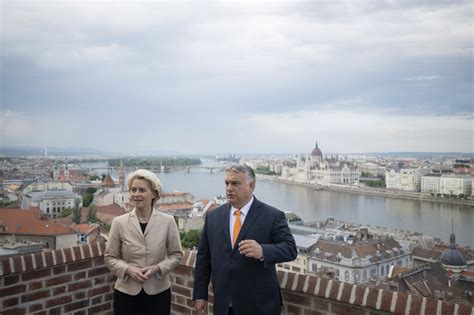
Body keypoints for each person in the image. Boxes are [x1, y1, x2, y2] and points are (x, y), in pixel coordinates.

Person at [193, 164, 297, 315]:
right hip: (223, 304)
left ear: (251, 185)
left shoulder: (273, 216)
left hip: (259, 305)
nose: (229, 188)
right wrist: (200, 295)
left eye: (235, 183)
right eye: (227, 183)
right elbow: (203, 259)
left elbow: (290, 249)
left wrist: (263, 251)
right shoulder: (213, 216)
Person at [105, 169, 183, 315]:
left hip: (158, 291)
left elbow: (176, 255)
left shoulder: (168, 222)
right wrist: (128, 269)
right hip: (126, 291)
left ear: (154, 194)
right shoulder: (119, 223)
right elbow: (110, 257)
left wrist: (157, 268)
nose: (136, 194)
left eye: (142, 190)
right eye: (133, 190)